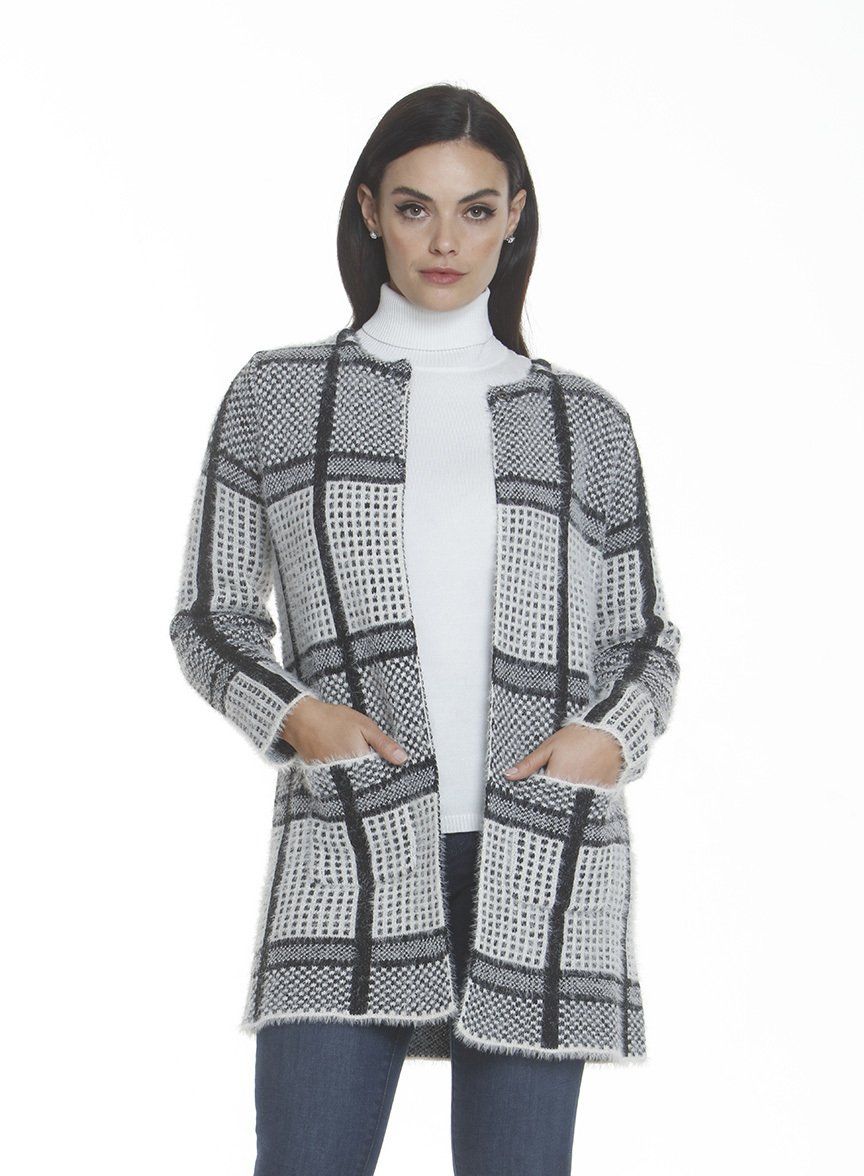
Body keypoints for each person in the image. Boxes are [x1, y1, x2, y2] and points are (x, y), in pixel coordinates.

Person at [169, 83, 682, 1176]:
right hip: (349, 838)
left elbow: (644, 639)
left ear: (515, 217)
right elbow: (210, 618)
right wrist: (299, 717)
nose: (446, 241)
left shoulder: (584, 421)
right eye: (415, 208)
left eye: (476, 210)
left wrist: (607, 740)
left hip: (541, 848)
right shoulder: (279, 395)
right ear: (370, 211)